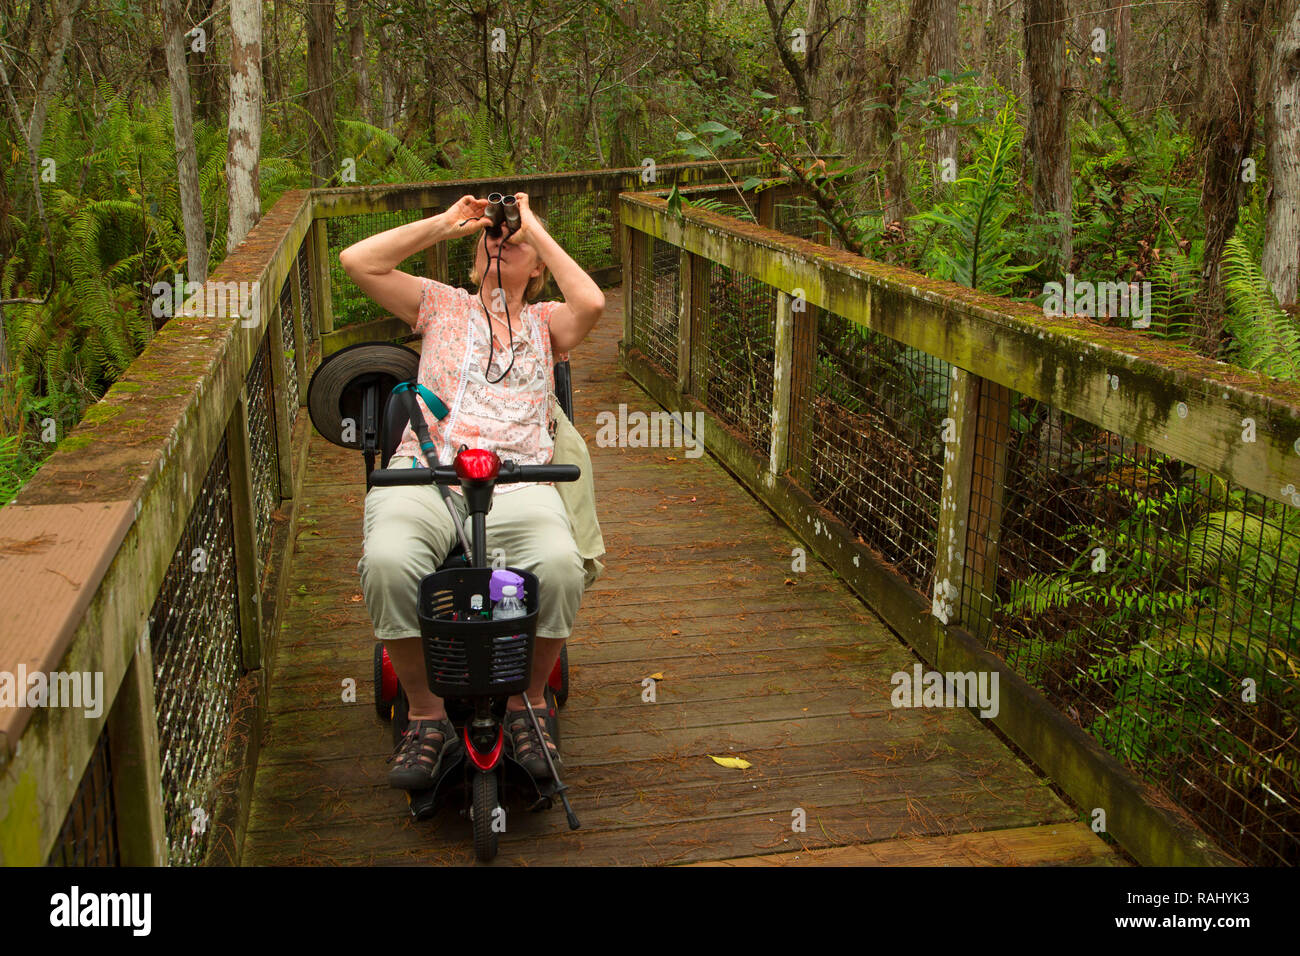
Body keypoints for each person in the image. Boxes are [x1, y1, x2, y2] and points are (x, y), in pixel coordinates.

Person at [339, 192, 604, 789]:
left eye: (516, 246)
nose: (500, 240)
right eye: (493, 238)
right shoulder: (440, 306)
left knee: (560, 566)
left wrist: (531, 222)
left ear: (538, 267)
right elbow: (357, 261)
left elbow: (590, 301)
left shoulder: (545, 324)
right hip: (427, 473)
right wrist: (447, 224)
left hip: (521, 479)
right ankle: (426, 716)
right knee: (386, 562)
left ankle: (528, 706)